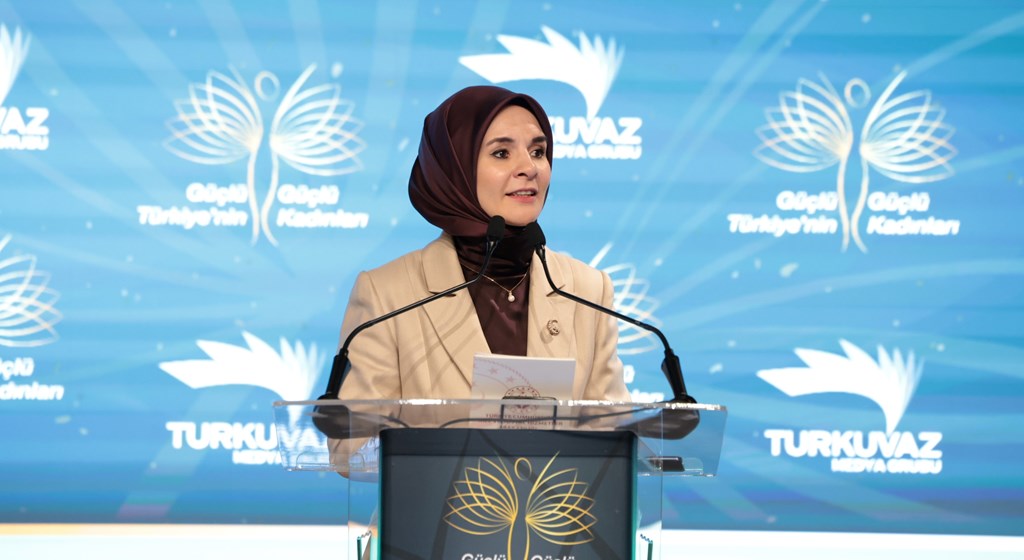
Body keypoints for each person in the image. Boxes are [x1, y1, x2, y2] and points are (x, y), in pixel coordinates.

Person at [335, 85, 629, 402]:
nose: (529, 168)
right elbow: (357, 432)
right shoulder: (387, 296)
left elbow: (611, 426)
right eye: (502, 153)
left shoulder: (588, 291)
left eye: (538, 152)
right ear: (453, 170)